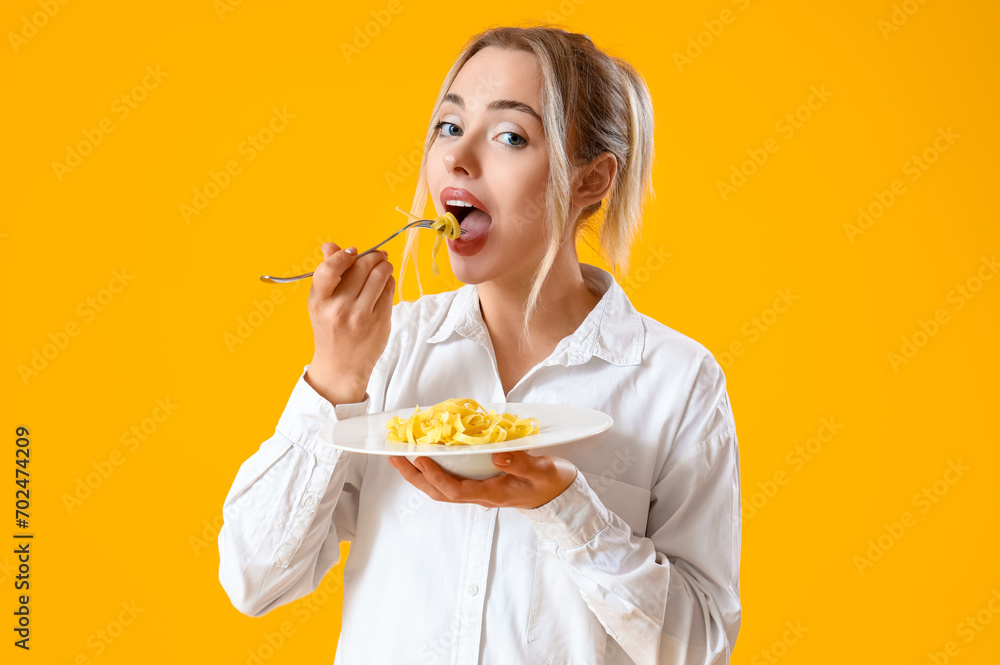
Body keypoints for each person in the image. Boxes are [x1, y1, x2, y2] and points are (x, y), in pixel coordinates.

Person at [218, 25, 742, 665]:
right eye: (449, 126)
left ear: (591, 180)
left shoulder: (678, 381)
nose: (458, 158)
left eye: (510, 136)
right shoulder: (387, 348)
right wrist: (334, 378)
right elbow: (254, 579)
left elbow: (700, 647)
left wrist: (566, 507)